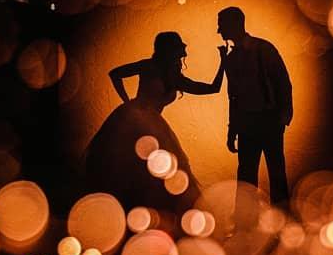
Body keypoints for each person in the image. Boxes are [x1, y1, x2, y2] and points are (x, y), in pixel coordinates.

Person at [79, 32, 226, 214]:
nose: (184, 48)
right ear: (170, 50)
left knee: (156, 168)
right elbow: (115, 74)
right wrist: (127, 102)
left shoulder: (176, 78)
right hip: (131, 121)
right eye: (180, 45)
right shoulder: (149, 66)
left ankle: (149, 210)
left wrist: (223, 63)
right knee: (125, 165)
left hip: (153, 125)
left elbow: (212, 88)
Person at [216, 6, 293, 214]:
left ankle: (283, 221)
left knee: (275, 173)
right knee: (246, 177)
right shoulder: (232, 58)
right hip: (247, 123)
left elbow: (282, 82)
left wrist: (284, 116)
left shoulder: (264, 49)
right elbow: (233, 96)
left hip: (269, 120)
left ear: (234, 25)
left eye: (221, 25)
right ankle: (246, 223)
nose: (219, 31)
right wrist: (233, 128)